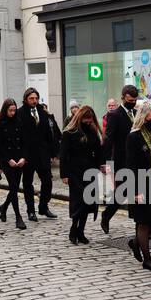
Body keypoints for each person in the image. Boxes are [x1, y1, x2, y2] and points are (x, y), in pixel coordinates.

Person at [126, 99, 151, 272]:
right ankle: (147, 260)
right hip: (141, 183)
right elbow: (131, 165)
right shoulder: (133, 137)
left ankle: (136, 242)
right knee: (143, 222)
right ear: (143, 117)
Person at [59, 104, 104, 245]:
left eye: (91, 119)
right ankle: (74, 229)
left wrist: (101, 165)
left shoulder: (92, 132)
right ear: (80, 118)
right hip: (75, 172)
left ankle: (81, 231)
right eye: (86, 119)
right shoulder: (69, 133)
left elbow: (98, 151)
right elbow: (64, 155)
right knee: (79, 202)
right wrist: (64, 175)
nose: (89, 122)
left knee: (89, 202)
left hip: (90, 171)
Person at [15, 87, 59, 220]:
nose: (34, 101)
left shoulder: (42, 111)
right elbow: (18, 136)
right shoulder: (20, 113)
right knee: (28, 183)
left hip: (42, 153)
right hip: (27, 155)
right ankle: (31, 211)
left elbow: (49, 134)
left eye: (36, 98)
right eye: (31, 99)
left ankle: (43, 206)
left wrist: (53, 153)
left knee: (47, 181)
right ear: (26, 99)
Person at [101, 84, 138, 233]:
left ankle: (141, 228)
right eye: (130, 100)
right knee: (122, 193)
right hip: (122, 160)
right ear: (123, 98)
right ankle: (107, 214)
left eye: (135, 100)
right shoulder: (114, 115)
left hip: (137, 159)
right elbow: (109, 139)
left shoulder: (137, 112)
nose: (133, 103)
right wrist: (104, 162)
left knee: (139, 193)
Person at [0, 98, 27, 229]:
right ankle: (18, 217)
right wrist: (8, 160)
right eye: (10, 110)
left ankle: (4, 208)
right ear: (5, 110)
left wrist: (24, 158)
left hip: (19, 160)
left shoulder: (20, 122)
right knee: (13, 186)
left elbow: (25, 142)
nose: (13, 112)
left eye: (14, 110)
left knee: (14, 188)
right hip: (7, 161)